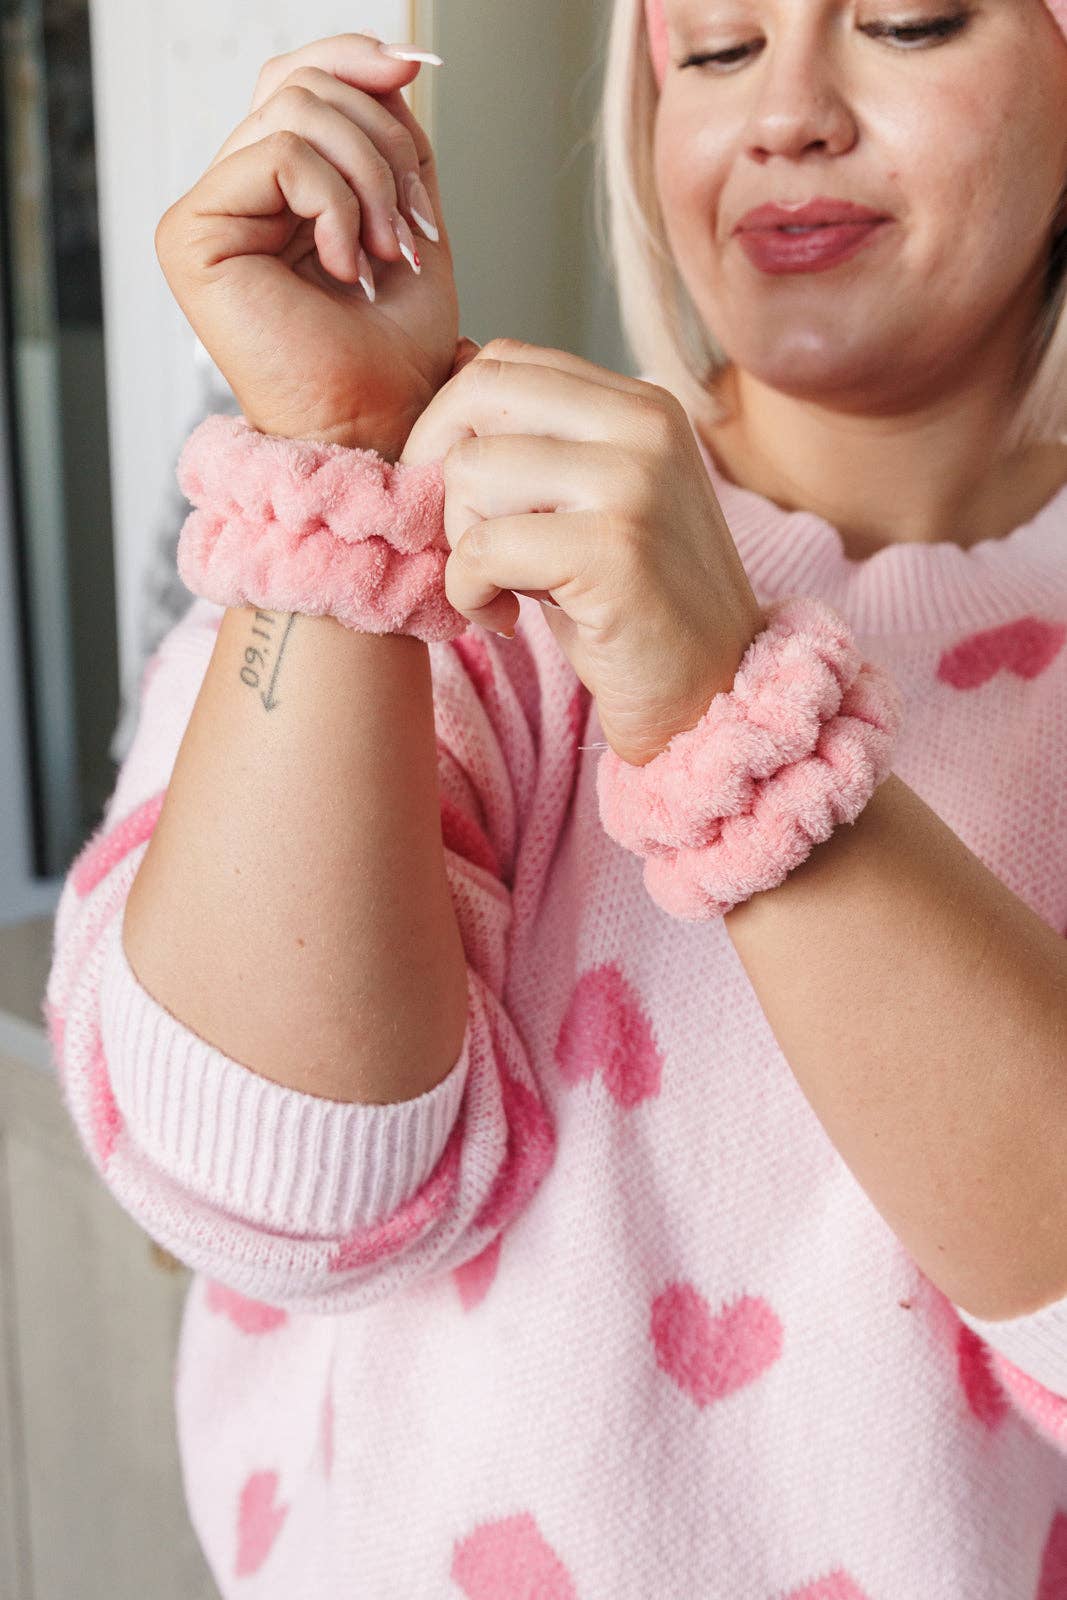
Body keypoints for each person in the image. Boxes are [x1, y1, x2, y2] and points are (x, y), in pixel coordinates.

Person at [43, 6, 1067, 1594]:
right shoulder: (459, 544)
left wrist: (725, 705)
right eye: (716, 49)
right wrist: (342, 466)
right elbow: (256, 1177)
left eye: (908, 20)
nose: (785, 112)